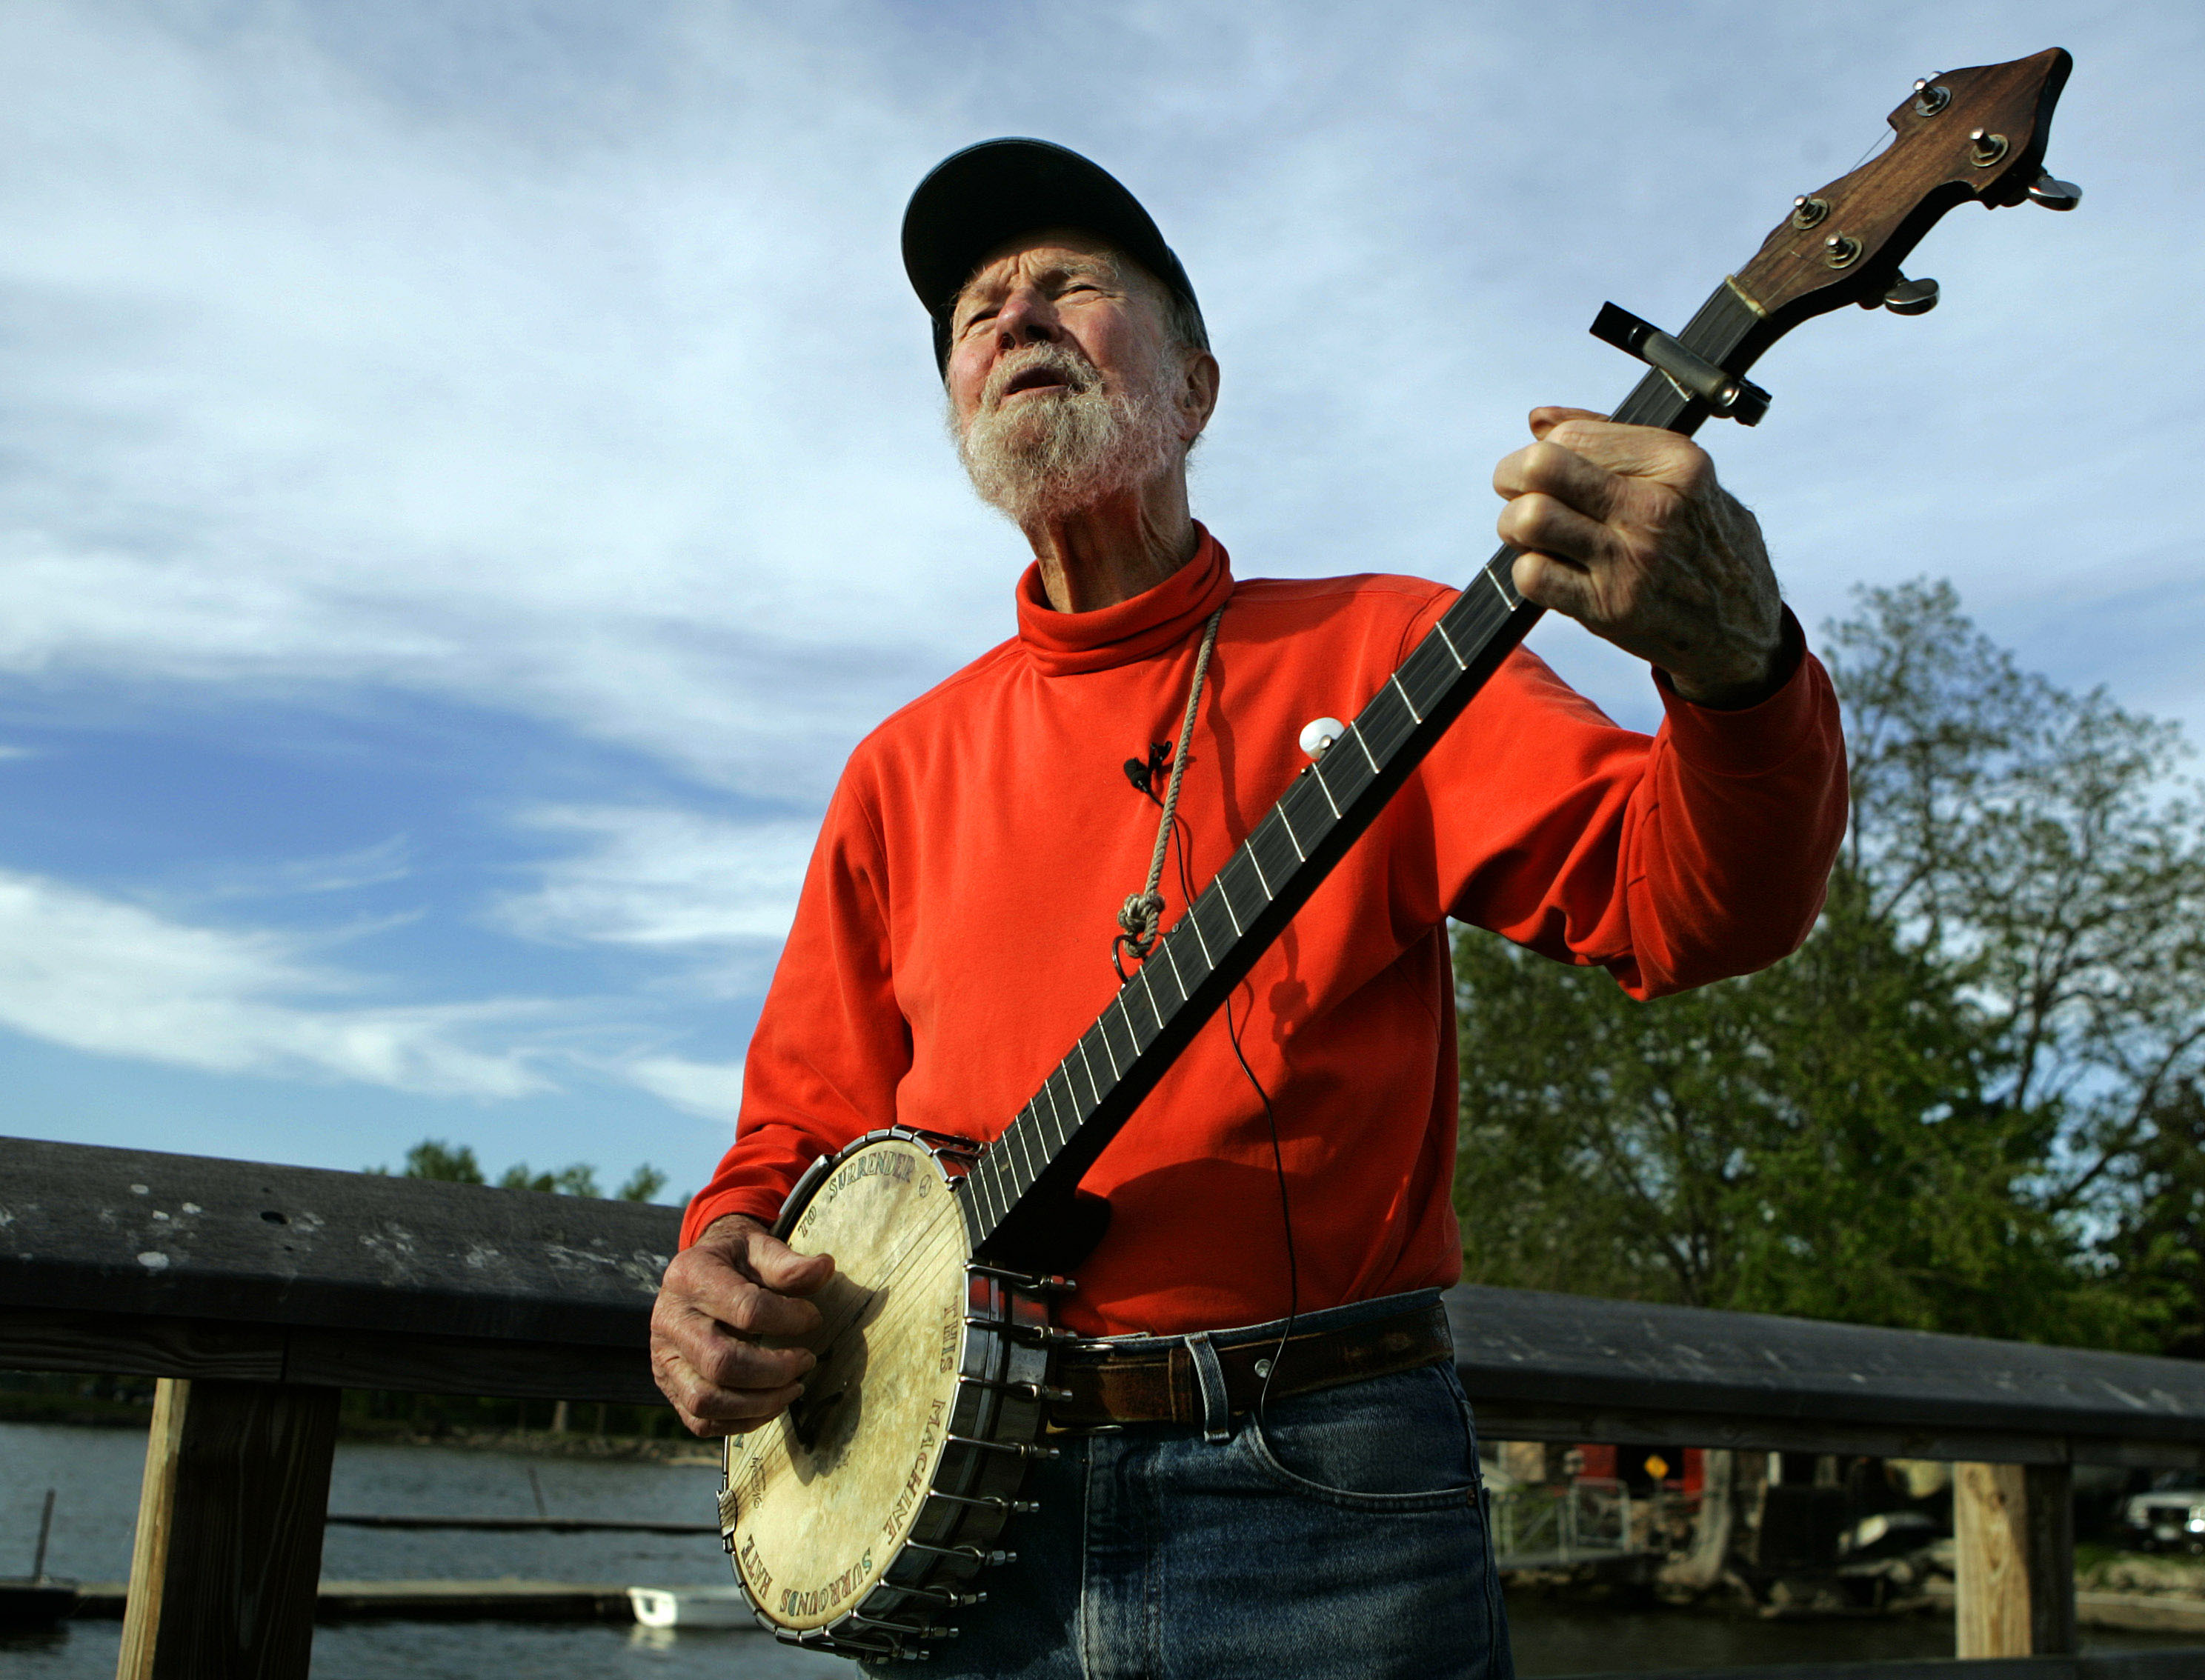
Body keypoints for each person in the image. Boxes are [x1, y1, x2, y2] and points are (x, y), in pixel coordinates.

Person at [650, 139, 1846, 1678]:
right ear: (957, 405)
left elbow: (1688, 908)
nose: (1012, 314)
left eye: (1071, 285)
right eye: (973, 312)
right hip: (960, 1511)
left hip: (1321, 1499)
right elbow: (791, 1138)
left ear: (1195, 389)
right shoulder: (899, 767)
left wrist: (1739, 670)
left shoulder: (1393, 651)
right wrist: (719, 1266)